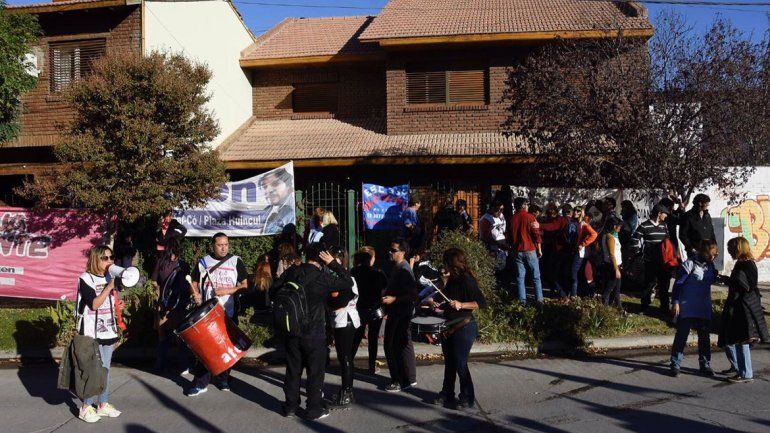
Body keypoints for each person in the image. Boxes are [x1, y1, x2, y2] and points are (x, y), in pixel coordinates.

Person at [274, 242, 354, 419]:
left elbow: (275, 289)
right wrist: (333, 263)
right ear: (323, 256)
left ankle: (291, 406)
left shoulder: (292, 271)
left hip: (292, 329)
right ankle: (313, 409)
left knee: (293, 370)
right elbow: (347, 282)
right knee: (315, 372)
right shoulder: (321, 277)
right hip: (314, 331)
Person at [185, 233, 249, 396]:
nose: (223, 248)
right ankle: (200, 383)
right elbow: (193, 282)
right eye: (220, 245)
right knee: (207, 350)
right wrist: (195, 293)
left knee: (227, 348)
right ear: (213, 245)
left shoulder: (236, 261)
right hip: (208, 314)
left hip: (229, 311)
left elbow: (244, 285)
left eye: (226, 244)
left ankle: (223, 378)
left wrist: (228, 290)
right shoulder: (203, 262)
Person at [431, 248, 486, 410]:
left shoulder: (466, 280)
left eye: (445, 263)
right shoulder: (453, 280)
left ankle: (468, 397)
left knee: (460, 363)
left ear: (451, 263)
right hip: (450, 325)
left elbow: (480, 303)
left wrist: (461, 305)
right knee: (449, 362)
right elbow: (448, 299)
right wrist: (437, 302)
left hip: (465, 326)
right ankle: (447, 392)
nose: (444, 266)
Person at [75, 245, 122, 422]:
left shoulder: (109, 277)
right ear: (96, 259)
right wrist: (108, 288)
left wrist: (118, 304)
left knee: (106, 370)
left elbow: (106, 301)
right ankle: (86, 407)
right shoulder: (85, 279)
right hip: (91, 332)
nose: (110, 261)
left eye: (111, 257)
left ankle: (103, 404)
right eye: (105, 258)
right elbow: (93, 304)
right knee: (93, 371)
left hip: (107, 330)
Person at [718, 237, 770, 383]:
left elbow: (749, 285)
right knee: (738, 339)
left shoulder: (747, 265)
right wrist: (727, 280)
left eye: (730, 248)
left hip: (743, 307)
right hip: (738, 305)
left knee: (742, 340)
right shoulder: (743, 264)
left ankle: (746, 373)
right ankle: (741, 371)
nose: (729, 251)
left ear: (738, 248)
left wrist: (734, 281)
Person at [669, 240, 718, 377]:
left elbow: (712, 280)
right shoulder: (689, 264)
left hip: (703, 306)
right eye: (712, 255)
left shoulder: (710, 266)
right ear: (703, 252)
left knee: (704, 337)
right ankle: (675, 364)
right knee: (682, 335)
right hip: (687, 305)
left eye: (715, 255)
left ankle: (705, 364)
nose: (713, 257)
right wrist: (676, 302)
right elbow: (678, 285)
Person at [150, 238, 192, 375]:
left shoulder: (161, 263)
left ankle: (160, 366)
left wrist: (159, 295)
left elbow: (154, 282)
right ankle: (183, 366)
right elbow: (187, 285)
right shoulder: (183, 265)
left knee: (163, 338)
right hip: (179, 306)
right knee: (180, 337)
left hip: (163, 305)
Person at [382, 238, 418, 392]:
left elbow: (413, 295)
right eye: (390, 249)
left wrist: (394, 299)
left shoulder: (404, 270)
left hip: (401, 312)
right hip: (397, 311)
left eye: (394, 250)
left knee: (392, 345)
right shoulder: (398, 267)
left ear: (402, 252)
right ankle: (407, 378)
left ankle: (399, 380)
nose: (390, 252)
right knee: (400, 344)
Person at [327, 247, 360, 408]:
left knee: (346, 358)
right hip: (343, 320)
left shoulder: (347, 279)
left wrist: (329, 302)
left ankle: (347, 392)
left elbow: (340, 301)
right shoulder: (344, 278)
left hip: (345, 320)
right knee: (344, 357)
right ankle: (347, 390)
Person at [351, 247, 388, 374]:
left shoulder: (354, 272)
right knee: (373, 339)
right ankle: (371, 366)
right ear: (370, 260)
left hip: (360, 308)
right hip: (375, 308)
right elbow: (384, 289)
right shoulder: (378, 273)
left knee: (356, 336)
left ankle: (349, 362)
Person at [632, 204, 671, 312]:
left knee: (664, 286)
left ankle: (665, 308)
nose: (666, 216)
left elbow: (667, 241)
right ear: (659, 213)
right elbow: (635, 239)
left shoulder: (664, 226)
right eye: (665, 213)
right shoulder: (645, 226)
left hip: (663, 262)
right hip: (650, 261)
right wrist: (638, 253)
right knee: (648, 284)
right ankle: (644, 307)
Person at [508, 197, 543, 304]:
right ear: (523, 206)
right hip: (530, 249)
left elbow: (509, 237)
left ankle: (522, 302)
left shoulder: (512, 219)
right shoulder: (530, 217)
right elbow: (536, 234)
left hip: (517, 250)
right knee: (536, 277)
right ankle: (539, 301)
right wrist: (539, 249)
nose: (528, 206)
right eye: (527, 205)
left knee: (520, 277)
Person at [563, 206, 597, 298]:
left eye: (578, 211)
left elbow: (594, 234)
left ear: (582, 213)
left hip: (580, 252)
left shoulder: (584, 224)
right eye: (575, 210)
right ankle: (579, 293)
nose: (576, 212)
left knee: (575, 273)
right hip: (572, 250)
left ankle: (574, 295)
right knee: (577, 273)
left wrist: (583, 244)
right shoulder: (572, 222)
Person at [680, 194, 717, 259]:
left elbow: (711, 232)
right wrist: (691, 248)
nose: (708, 205)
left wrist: (714, 246)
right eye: (706, 203)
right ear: (700, 203)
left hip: (708, 251)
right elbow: (682, 235)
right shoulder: (688, 216)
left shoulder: (707, 216)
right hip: (695, 252)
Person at [260, 167, 295, 235]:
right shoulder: (266, 211)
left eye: (275, 184)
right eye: (265, 187)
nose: (268, 190)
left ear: (289, 187)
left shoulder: (291, 213)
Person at [600, 217, 624, 310]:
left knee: (617, 290)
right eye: (619, 226)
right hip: (612, 266)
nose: (620, 228)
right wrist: (616, 269)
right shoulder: (610, 237)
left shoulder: (611, 235)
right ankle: (603, 309)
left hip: (616, 265)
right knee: (609, 289)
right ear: (614, 226)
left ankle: (620, 308)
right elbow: (612, 254)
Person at [479, 200, 509, 274]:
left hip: (502, 245)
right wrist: (498, 244)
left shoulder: (501, 216)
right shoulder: (485, 219)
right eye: (497, 210)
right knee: (492, 269)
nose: (500, 212)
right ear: (492, 208)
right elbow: (486, 236)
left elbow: (504, 230)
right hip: (492, 247)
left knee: (502, 268)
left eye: (502, 210)